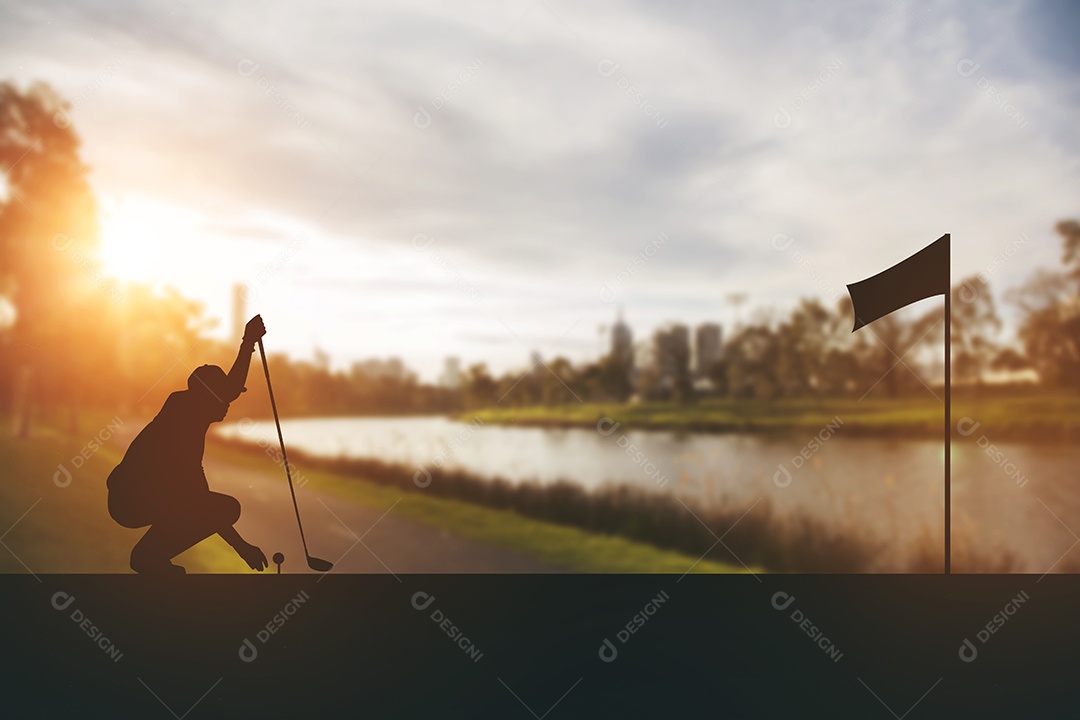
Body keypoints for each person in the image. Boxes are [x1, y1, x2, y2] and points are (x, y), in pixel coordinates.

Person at [107, 315, 269, 575]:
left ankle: (148, 556)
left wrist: (248, 342)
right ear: (207, 396)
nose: (229, 403)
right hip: (130, 499)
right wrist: (248, 341)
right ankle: (147, 558)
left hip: (139, 494)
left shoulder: (187, 412)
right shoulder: (185, 414)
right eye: (223, 398)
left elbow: (230, 388)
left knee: (200, 505)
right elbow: (202, 500)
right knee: (225, 508)